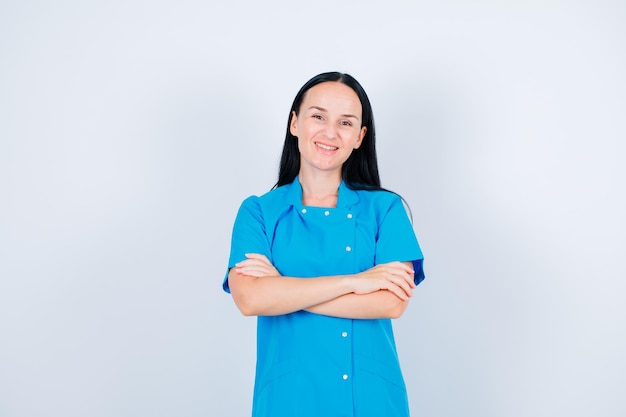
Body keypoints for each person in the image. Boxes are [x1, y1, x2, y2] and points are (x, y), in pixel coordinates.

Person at [223, 71, 425, 417]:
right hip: (288, 400)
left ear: (360, 136)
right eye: (318, 116)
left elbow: (391, 303)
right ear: (295, 123)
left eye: (345, 123)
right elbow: (251, 298)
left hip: (370, 399)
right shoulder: (258, 211)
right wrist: (355, 282)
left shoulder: (385, 209)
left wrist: (282, 291)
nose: (330, 133)